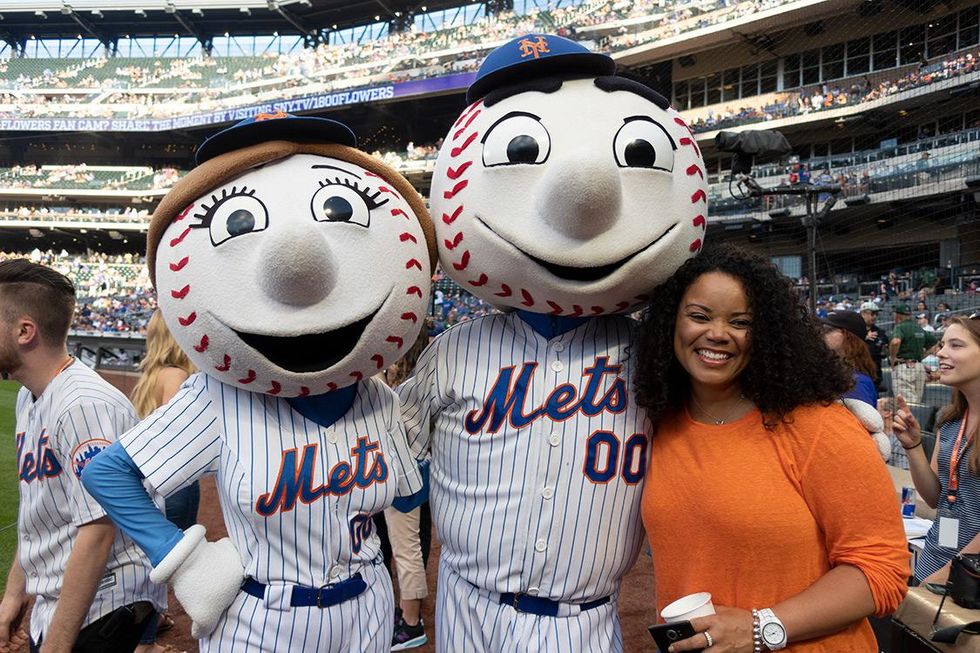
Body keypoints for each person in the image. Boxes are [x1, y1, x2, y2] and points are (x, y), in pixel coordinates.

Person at [81, 113, 436, 652]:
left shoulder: (376, 396)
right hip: (264, 616)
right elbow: (107, 473)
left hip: (367, 603)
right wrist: (178, 555)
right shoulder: (217, 398)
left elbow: (410, 492)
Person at [403, 33, 709, 651]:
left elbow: (734, 424)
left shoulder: (657, 354)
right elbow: (377, 446)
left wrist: (815, 411)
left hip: (584, 619)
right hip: (467, 609)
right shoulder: (453, 352)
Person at [635, 244, 909, 653]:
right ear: (671, 322)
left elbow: (882, 569)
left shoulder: (819, 425)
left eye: (740, 322)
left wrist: (761, 627)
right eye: (699, 316)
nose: (717, 333)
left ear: (765, 333)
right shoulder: (656, 423)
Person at [0, 258, 165, 652]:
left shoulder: (82, 405)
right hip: (69, 597)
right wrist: (14, 593)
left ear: (25, 331)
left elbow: (98, 530)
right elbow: (45, 512)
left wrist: (57, 645)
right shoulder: (31, 396)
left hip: (106, 600)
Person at [893, 315, 980, 584]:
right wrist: (913, 445)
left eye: (956, 345)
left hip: (968, 575)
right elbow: (936, 498)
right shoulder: (949, 419)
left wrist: (946, 575)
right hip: (935, 560)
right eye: (942, 344)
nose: (940, 353)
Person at [130, 310, 197, 653]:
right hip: (173, 485)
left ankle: (152, 622)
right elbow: (179, 439)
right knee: (165, 560)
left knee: (151, 558)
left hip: (150, 481)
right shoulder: (177, 375)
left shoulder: (150, 376)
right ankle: (145, 643)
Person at [820, 309, 878, 407]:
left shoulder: (856, 382)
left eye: (828, 329)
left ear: (848, 336)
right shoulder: (837, 373)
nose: (822, 333)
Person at [890, 303, 938, 403]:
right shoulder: (918, 327)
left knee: (905, 404)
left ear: (897, 315)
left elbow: (895, 342)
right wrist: (923, 356)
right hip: (919, 368)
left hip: (904, 368)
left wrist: (892, 359)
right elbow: (935, 343)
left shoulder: (900, 327)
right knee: (917, 404)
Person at [860, 301, 888, 390]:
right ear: (863, 314)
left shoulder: (880, 332)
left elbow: (884, 351)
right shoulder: (854, 330)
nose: (875, 316)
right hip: (859, 372)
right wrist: (864, 337)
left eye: (876, 314)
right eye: (872, 314)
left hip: (875, 373)